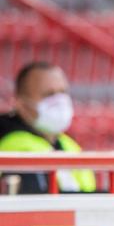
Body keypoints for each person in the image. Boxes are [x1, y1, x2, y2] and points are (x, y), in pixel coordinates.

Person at [0, 61, 95, 194]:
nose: (59, 101)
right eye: (49, 94)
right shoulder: (12, 146)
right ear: (21, 104)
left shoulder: (68, 145)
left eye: (62, 92)